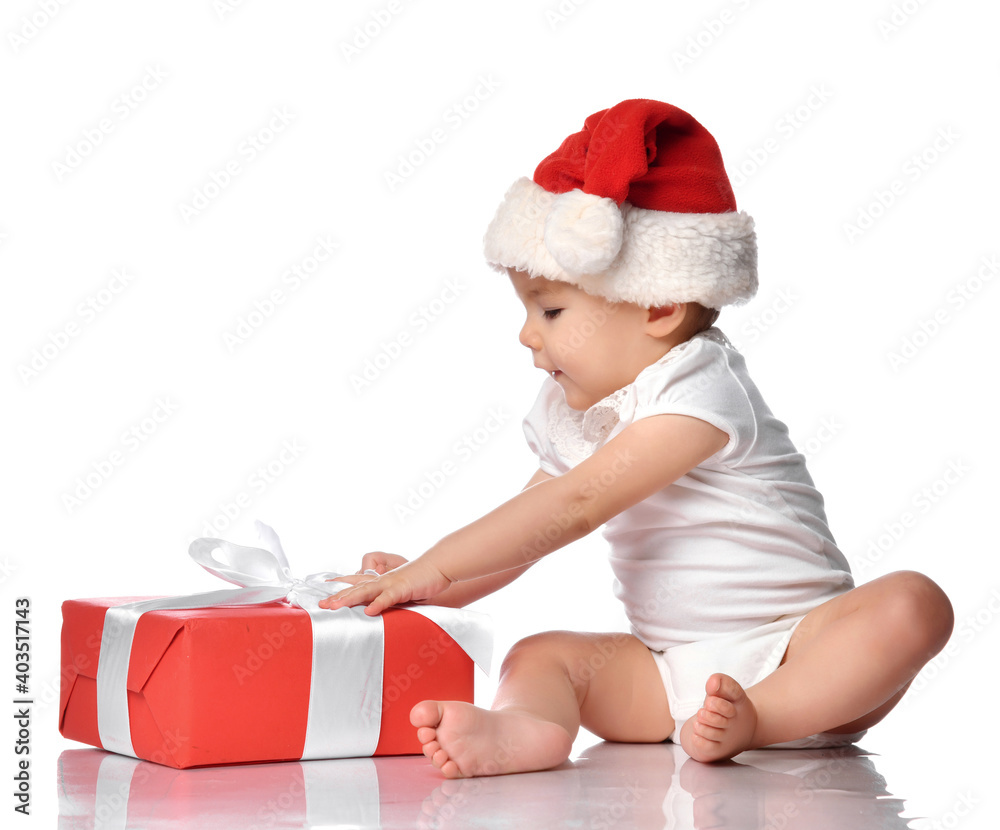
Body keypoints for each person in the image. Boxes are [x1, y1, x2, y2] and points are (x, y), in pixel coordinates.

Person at [319, 99, 954, 778]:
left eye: (551, 310)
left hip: (806, 659)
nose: (527, 335)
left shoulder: (698, 389)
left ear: (659, 307)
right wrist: (426, 587)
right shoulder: (581, 407)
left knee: (913, 604)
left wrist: (438, 564)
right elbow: (532, 527)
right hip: (669, 674)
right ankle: (528, 726)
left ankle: (759, 718)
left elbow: (576, 506)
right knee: (541, 654)